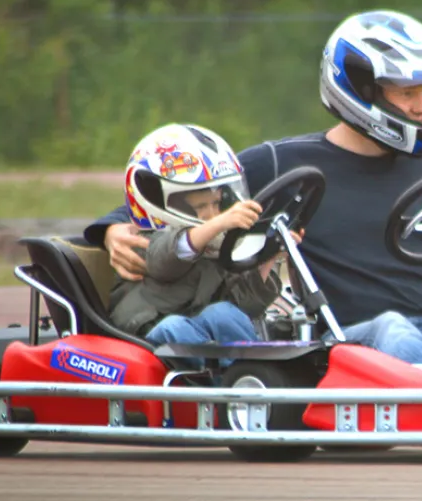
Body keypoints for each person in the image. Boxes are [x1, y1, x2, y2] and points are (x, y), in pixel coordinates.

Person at [86, 10, 422, 366]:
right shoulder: (280, 162)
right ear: (359, 89)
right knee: (392, 329)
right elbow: (178, 195)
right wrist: (111, 228)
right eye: (407, 92)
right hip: (349, 342)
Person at [105, 122, 290, 368]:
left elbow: (244, 304)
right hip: (145, 331)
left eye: (216, 204)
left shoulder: (213, 246)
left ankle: (252, 378)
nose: (213, 214)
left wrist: (269, 256)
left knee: (224, 313)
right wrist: (220, 223)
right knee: (176, 329)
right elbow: (166, 260)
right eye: (201, 207)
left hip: (198, 327)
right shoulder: (138, 239)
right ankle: (208, 389)